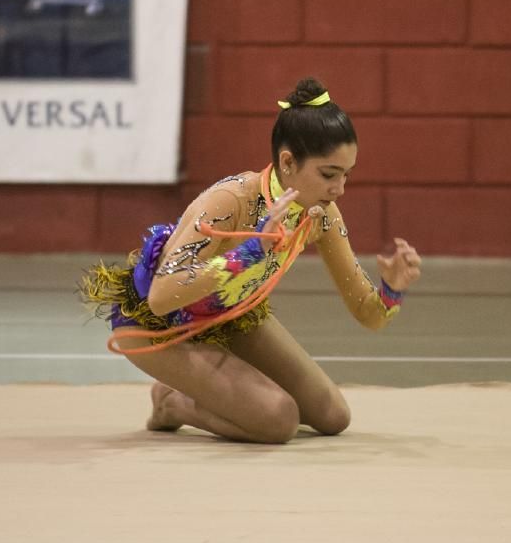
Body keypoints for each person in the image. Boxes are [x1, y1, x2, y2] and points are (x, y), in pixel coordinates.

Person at [80, 77, 421, 444]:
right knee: (278, 420)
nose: (339, 189)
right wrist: (249, 253)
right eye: (328, 174)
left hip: (230, 312)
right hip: (158, 327)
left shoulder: (322, 214)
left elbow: (367, 312)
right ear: (288, 162)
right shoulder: (231, 201)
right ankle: (173, 403)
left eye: (346, 175)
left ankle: (219, 387)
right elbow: (161, 297)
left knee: (333, 415)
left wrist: (392, 291)